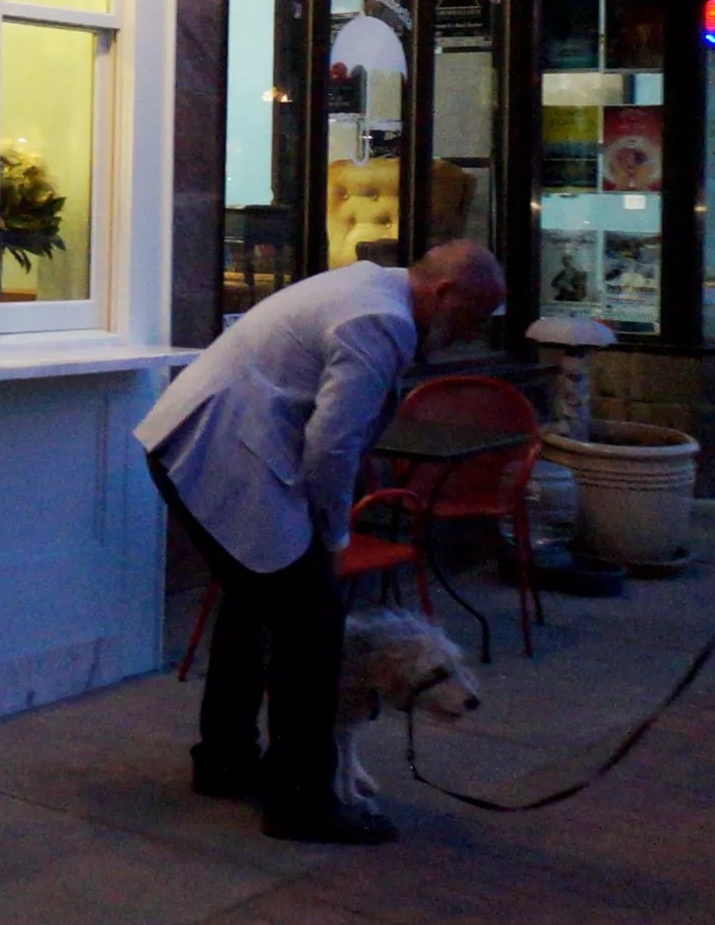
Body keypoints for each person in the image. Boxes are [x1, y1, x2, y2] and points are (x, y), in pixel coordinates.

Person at [135, 240, 506, 844]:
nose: (472, 332)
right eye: (473, 315)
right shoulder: (382, 320)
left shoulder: (373, 292)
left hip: (198, 440)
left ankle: (225, 761)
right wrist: (333, 536)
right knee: (312, 627)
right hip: (219, 449)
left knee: (252, 608)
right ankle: (300, 803)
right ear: (443, 293)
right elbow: (332, 446)